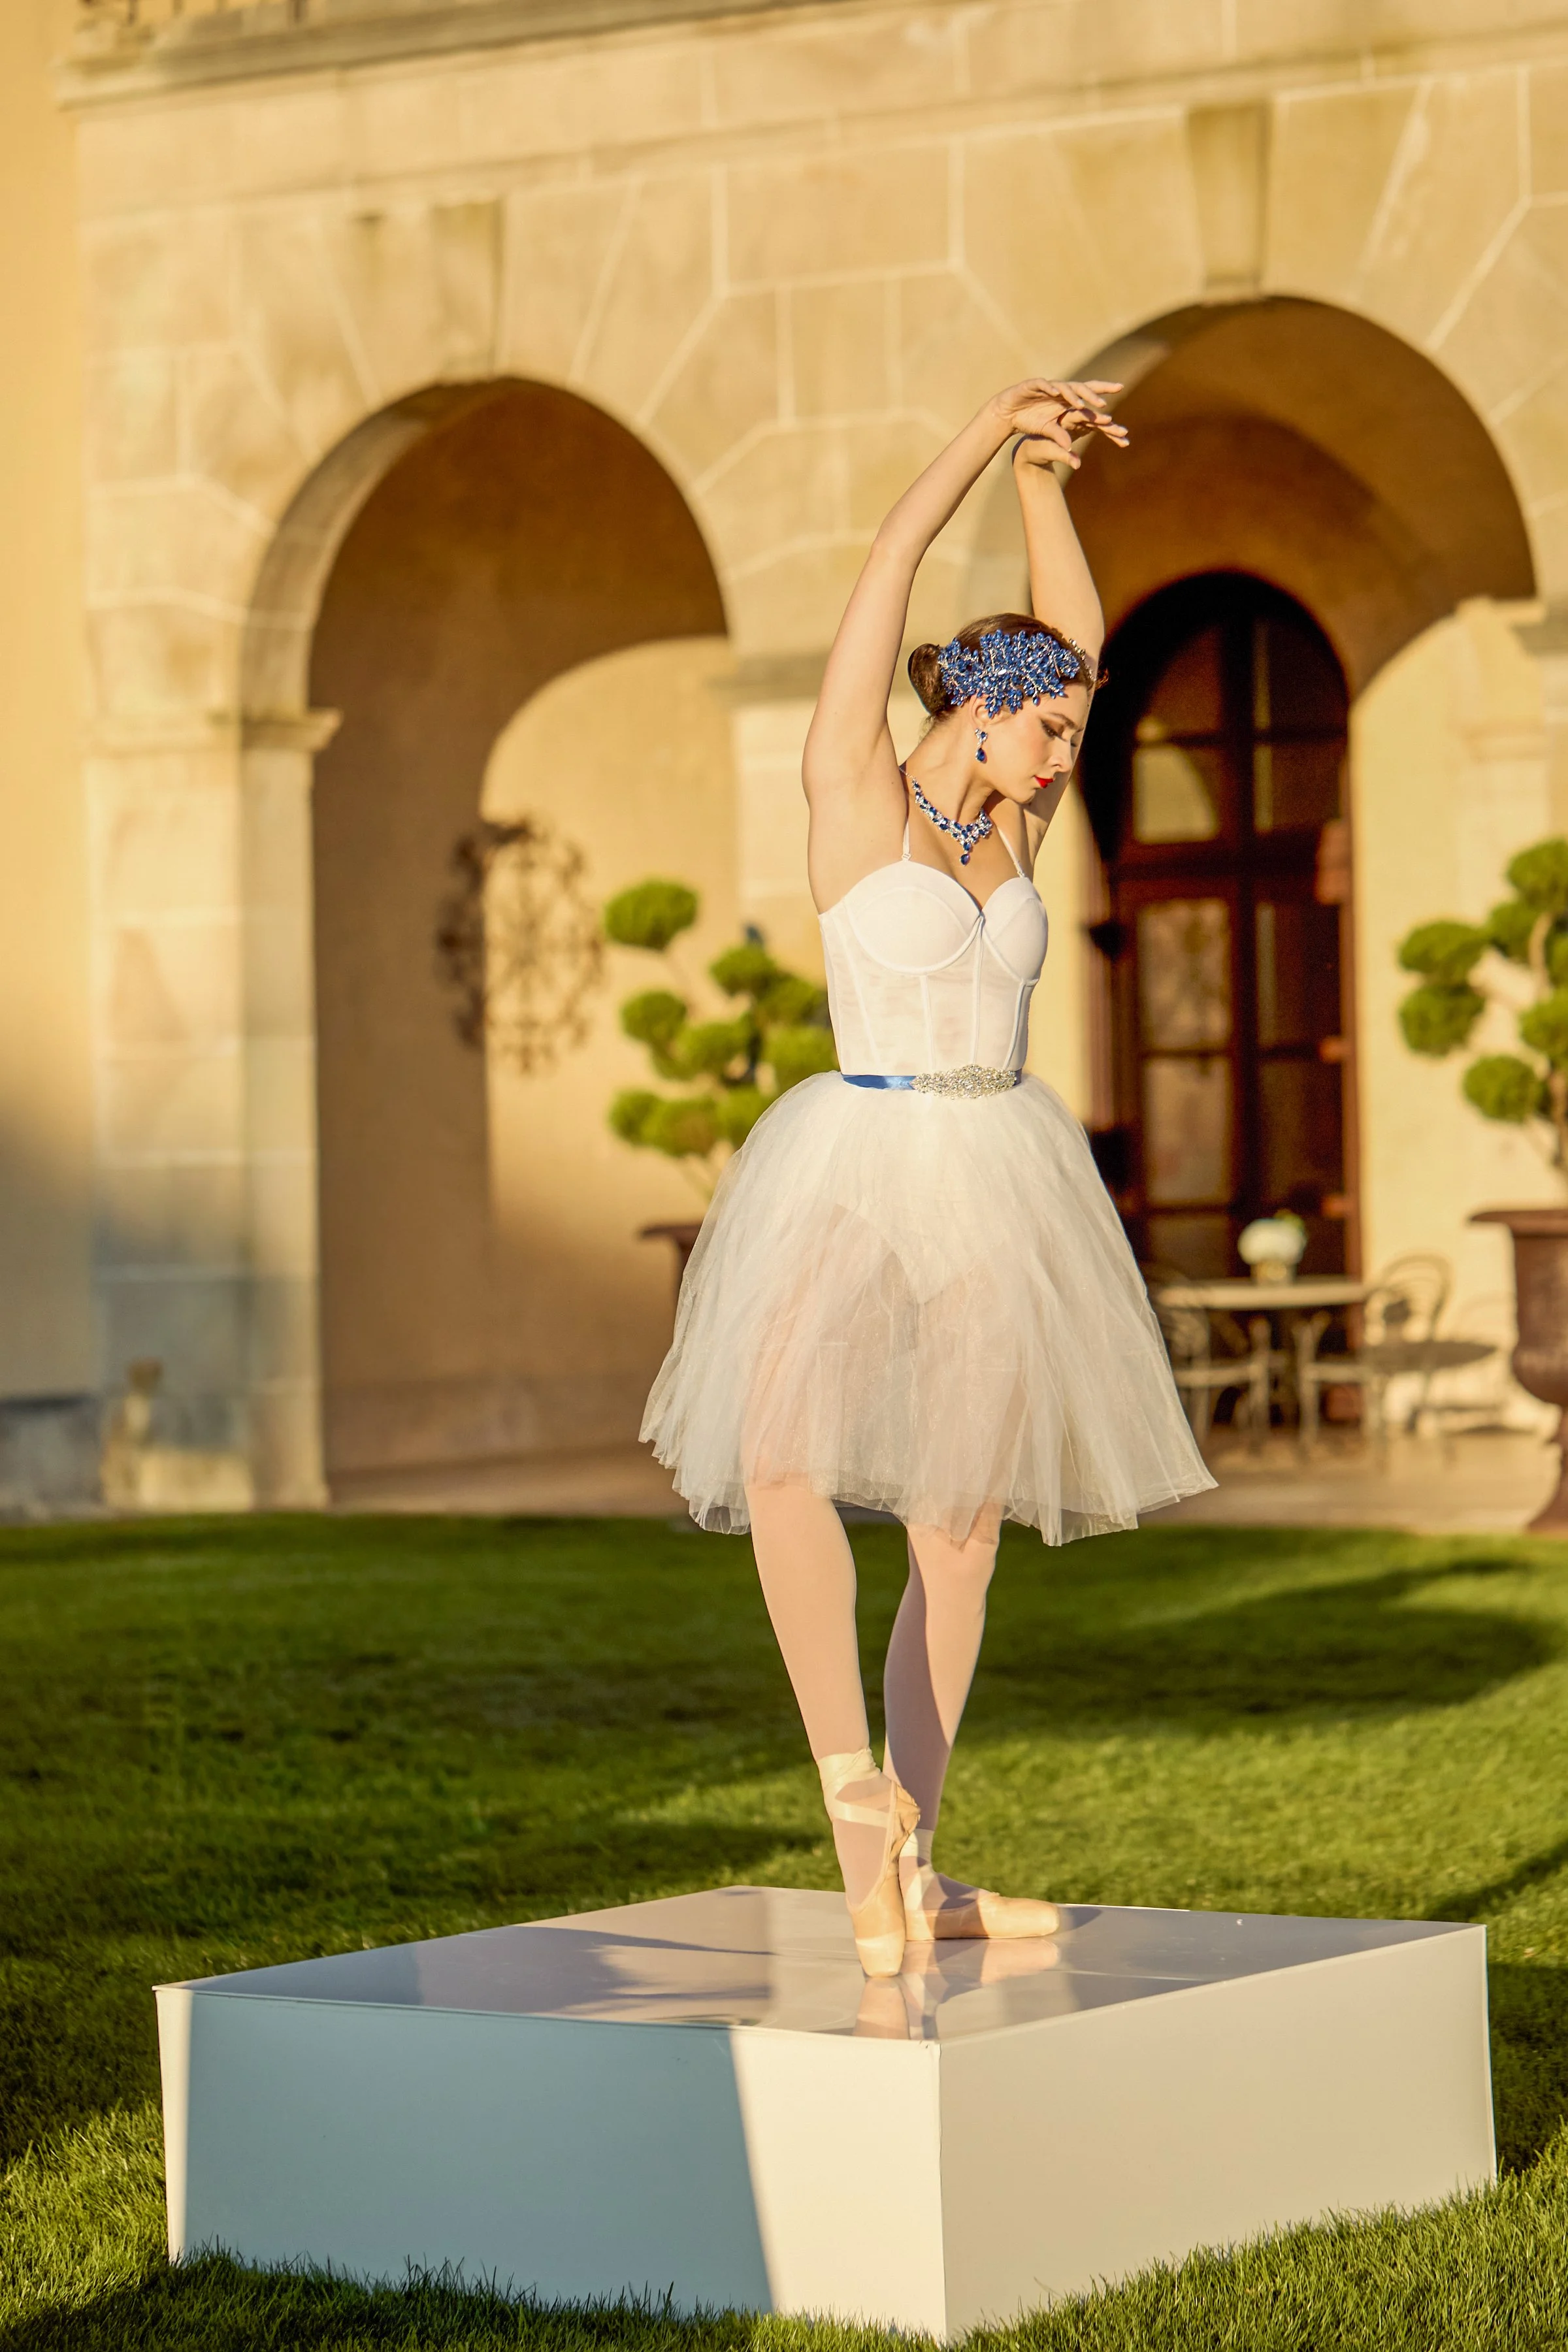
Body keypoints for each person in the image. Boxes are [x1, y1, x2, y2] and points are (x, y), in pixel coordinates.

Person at [643, 381, 1213, 1979]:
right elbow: (889, 572)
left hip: (997, 1167)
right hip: (858, 1151)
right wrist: (977, 431)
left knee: (959, 1530)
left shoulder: (1016, 835)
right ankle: (848, 1795)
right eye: (1051, 729)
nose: (1062, 761)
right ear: (979, 704)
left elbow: (1076, 635)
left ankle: (922, 1855)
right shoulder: (855, 794)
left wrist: (1050, 477)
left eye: (1071, 736)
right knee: (779, 1461)